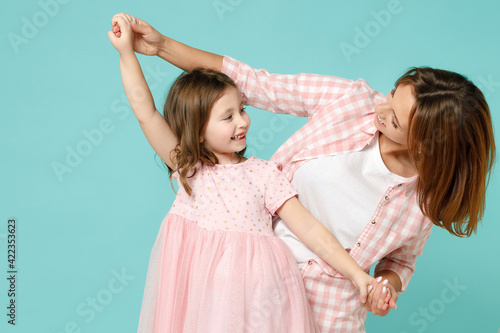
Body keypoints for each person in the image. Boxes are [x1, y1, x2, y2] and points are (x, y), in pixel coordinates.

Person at [114, 13, 497, 332]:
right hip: (248, 293)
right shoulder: (352, 101)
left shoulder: (424, 200)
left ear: (426, 145)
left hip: (329, 313)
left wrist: (380, 286)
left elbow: (396, 263)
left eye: (394, 119)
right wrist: (157, 47)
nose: (379, 109)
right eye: (391, 93)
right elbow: (251, 83)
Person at [108, 13, 377, 333]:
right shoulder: (190, 169)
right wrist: (126, 53)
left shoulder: (264, 174)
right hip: (205, 301)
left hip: (261, 302)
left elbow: (311, 230)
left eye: (243, 110)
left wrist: (358, 275)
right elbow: (146, 112)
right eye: (228, 117)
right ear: (197, 130)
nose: (243, 122)